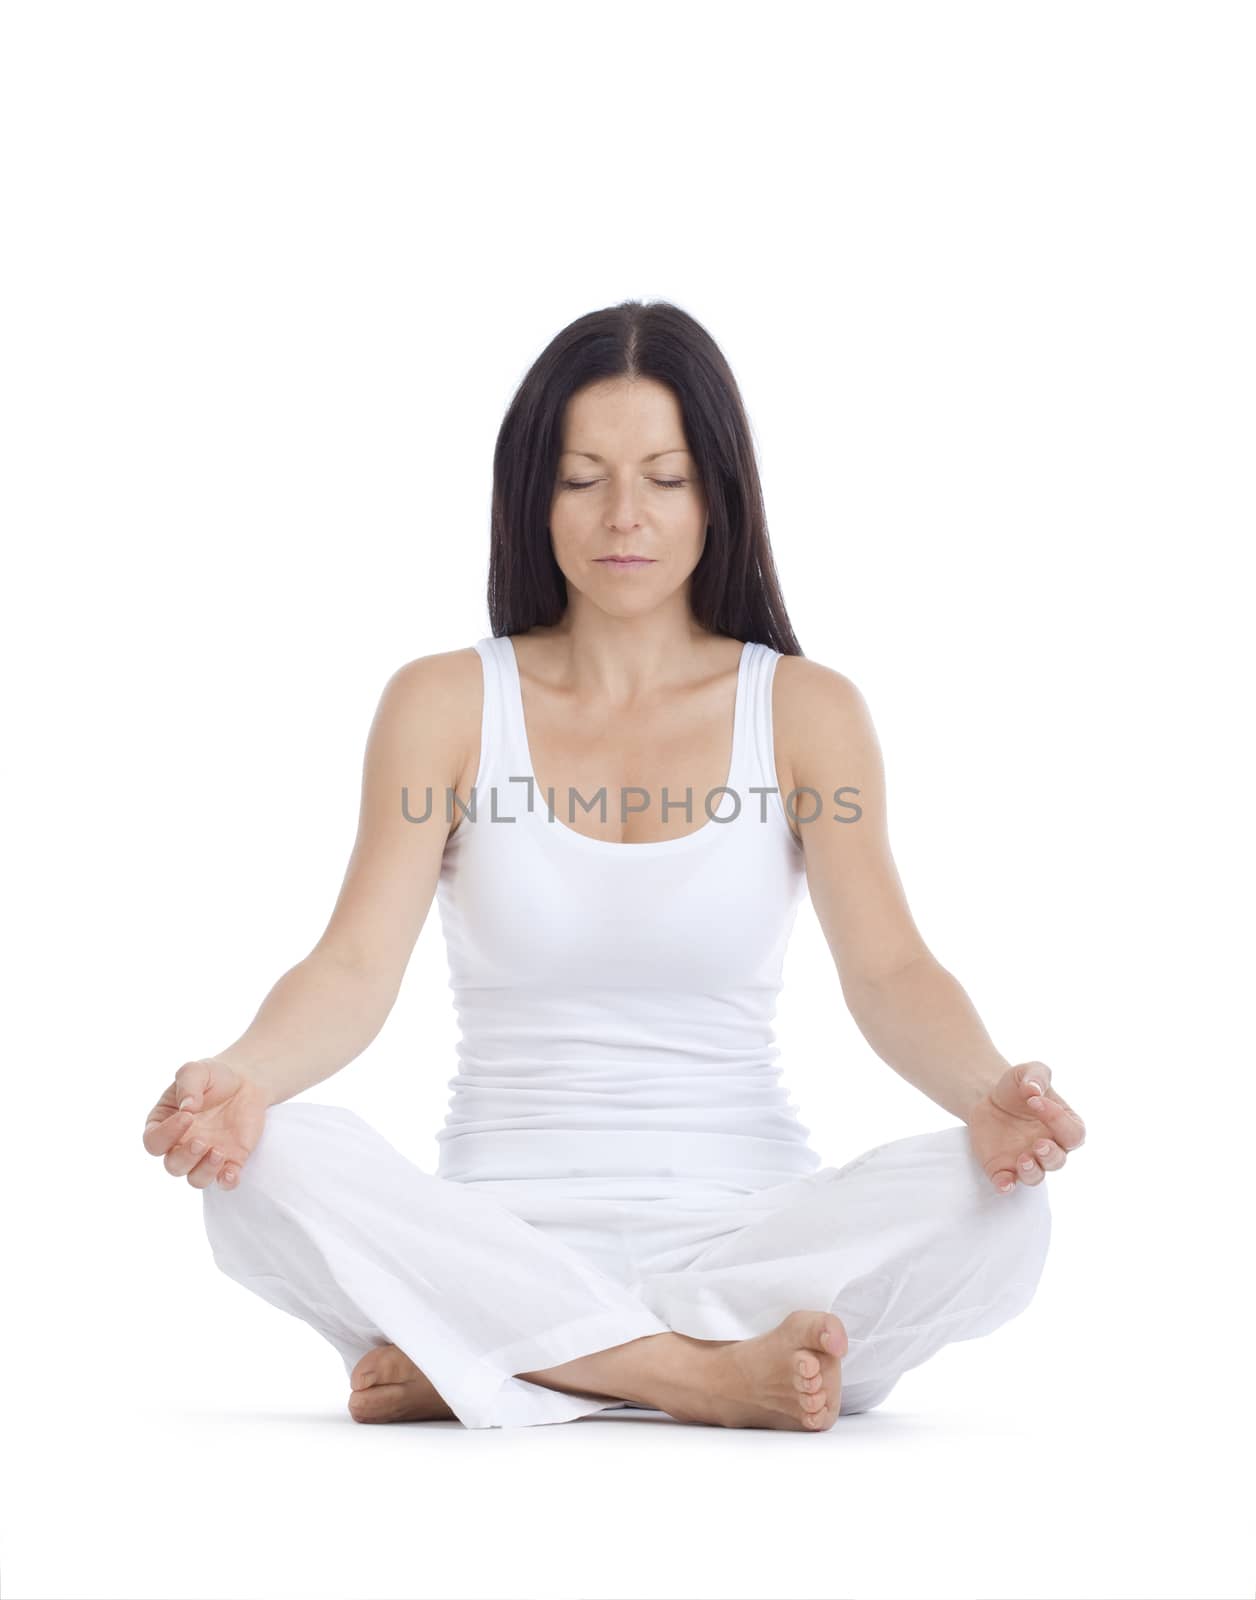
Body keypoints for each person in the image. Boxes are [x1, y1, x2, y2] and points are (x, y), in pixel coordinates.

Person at [142, 299, 1085, 1433]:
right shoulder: (443, 703)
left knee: (999, 1217)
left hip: (745, 1230)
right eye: (582, 478)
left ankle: (503, 1357)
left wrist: (987, 1093)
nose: (622, 516)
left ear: (716, 493)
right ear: (531, 493)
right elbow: (350, 966)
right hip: (495, 1229)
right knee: (267, 1165)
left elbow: (888, 973)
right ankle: (688, 1373)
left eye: (664, 477)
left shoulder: (802, 710)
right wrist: (243, 1076)